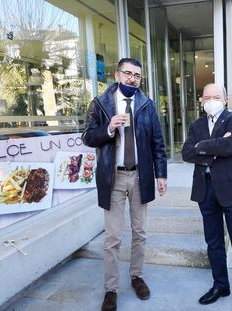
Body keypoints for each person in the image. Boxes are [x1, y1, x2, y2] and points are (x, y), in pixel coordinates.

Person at [82, 58, 167, 311]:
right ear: (117, 75)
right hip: (114, 177)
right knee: (113, 237)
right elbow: (87, 137)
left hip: (140, 176)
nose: (133, 79)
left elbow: (158, 143)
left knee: (140, 232)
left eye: (137, 76)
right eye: (128, 74)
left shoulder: (147, 105)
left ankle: (137, 276)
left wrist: (161, 175)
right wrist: (108, 128)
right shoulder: (101, 103)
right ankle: (111, 289)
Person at [182, 83, 232, 311]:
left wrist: (202, 147)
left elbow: (230, 146)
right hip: (206, 190)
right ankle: (220, 285)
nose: (211, 100)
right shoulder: (196, 124)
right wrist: (215, 145)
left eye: (216, 96)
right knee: (213, 243)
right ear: (201, 100)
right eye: (206, 97)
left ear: (225, 100)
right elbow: (186, 152)